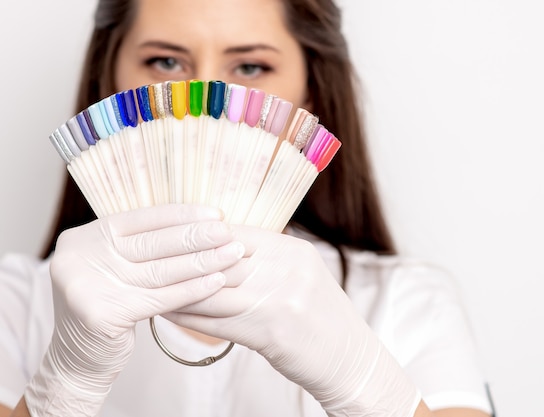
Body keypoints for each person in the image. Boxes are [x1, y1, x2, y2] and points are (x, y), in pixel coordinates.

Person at [0, 0, 494, 416]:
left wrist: (365, 383)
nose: (200, 103)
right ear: (107, 79)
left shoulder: (407, 300)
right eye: (165, 62)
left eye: (251, 67)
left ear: (312, 92)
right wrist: (63, 386)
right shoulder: (14, 303)